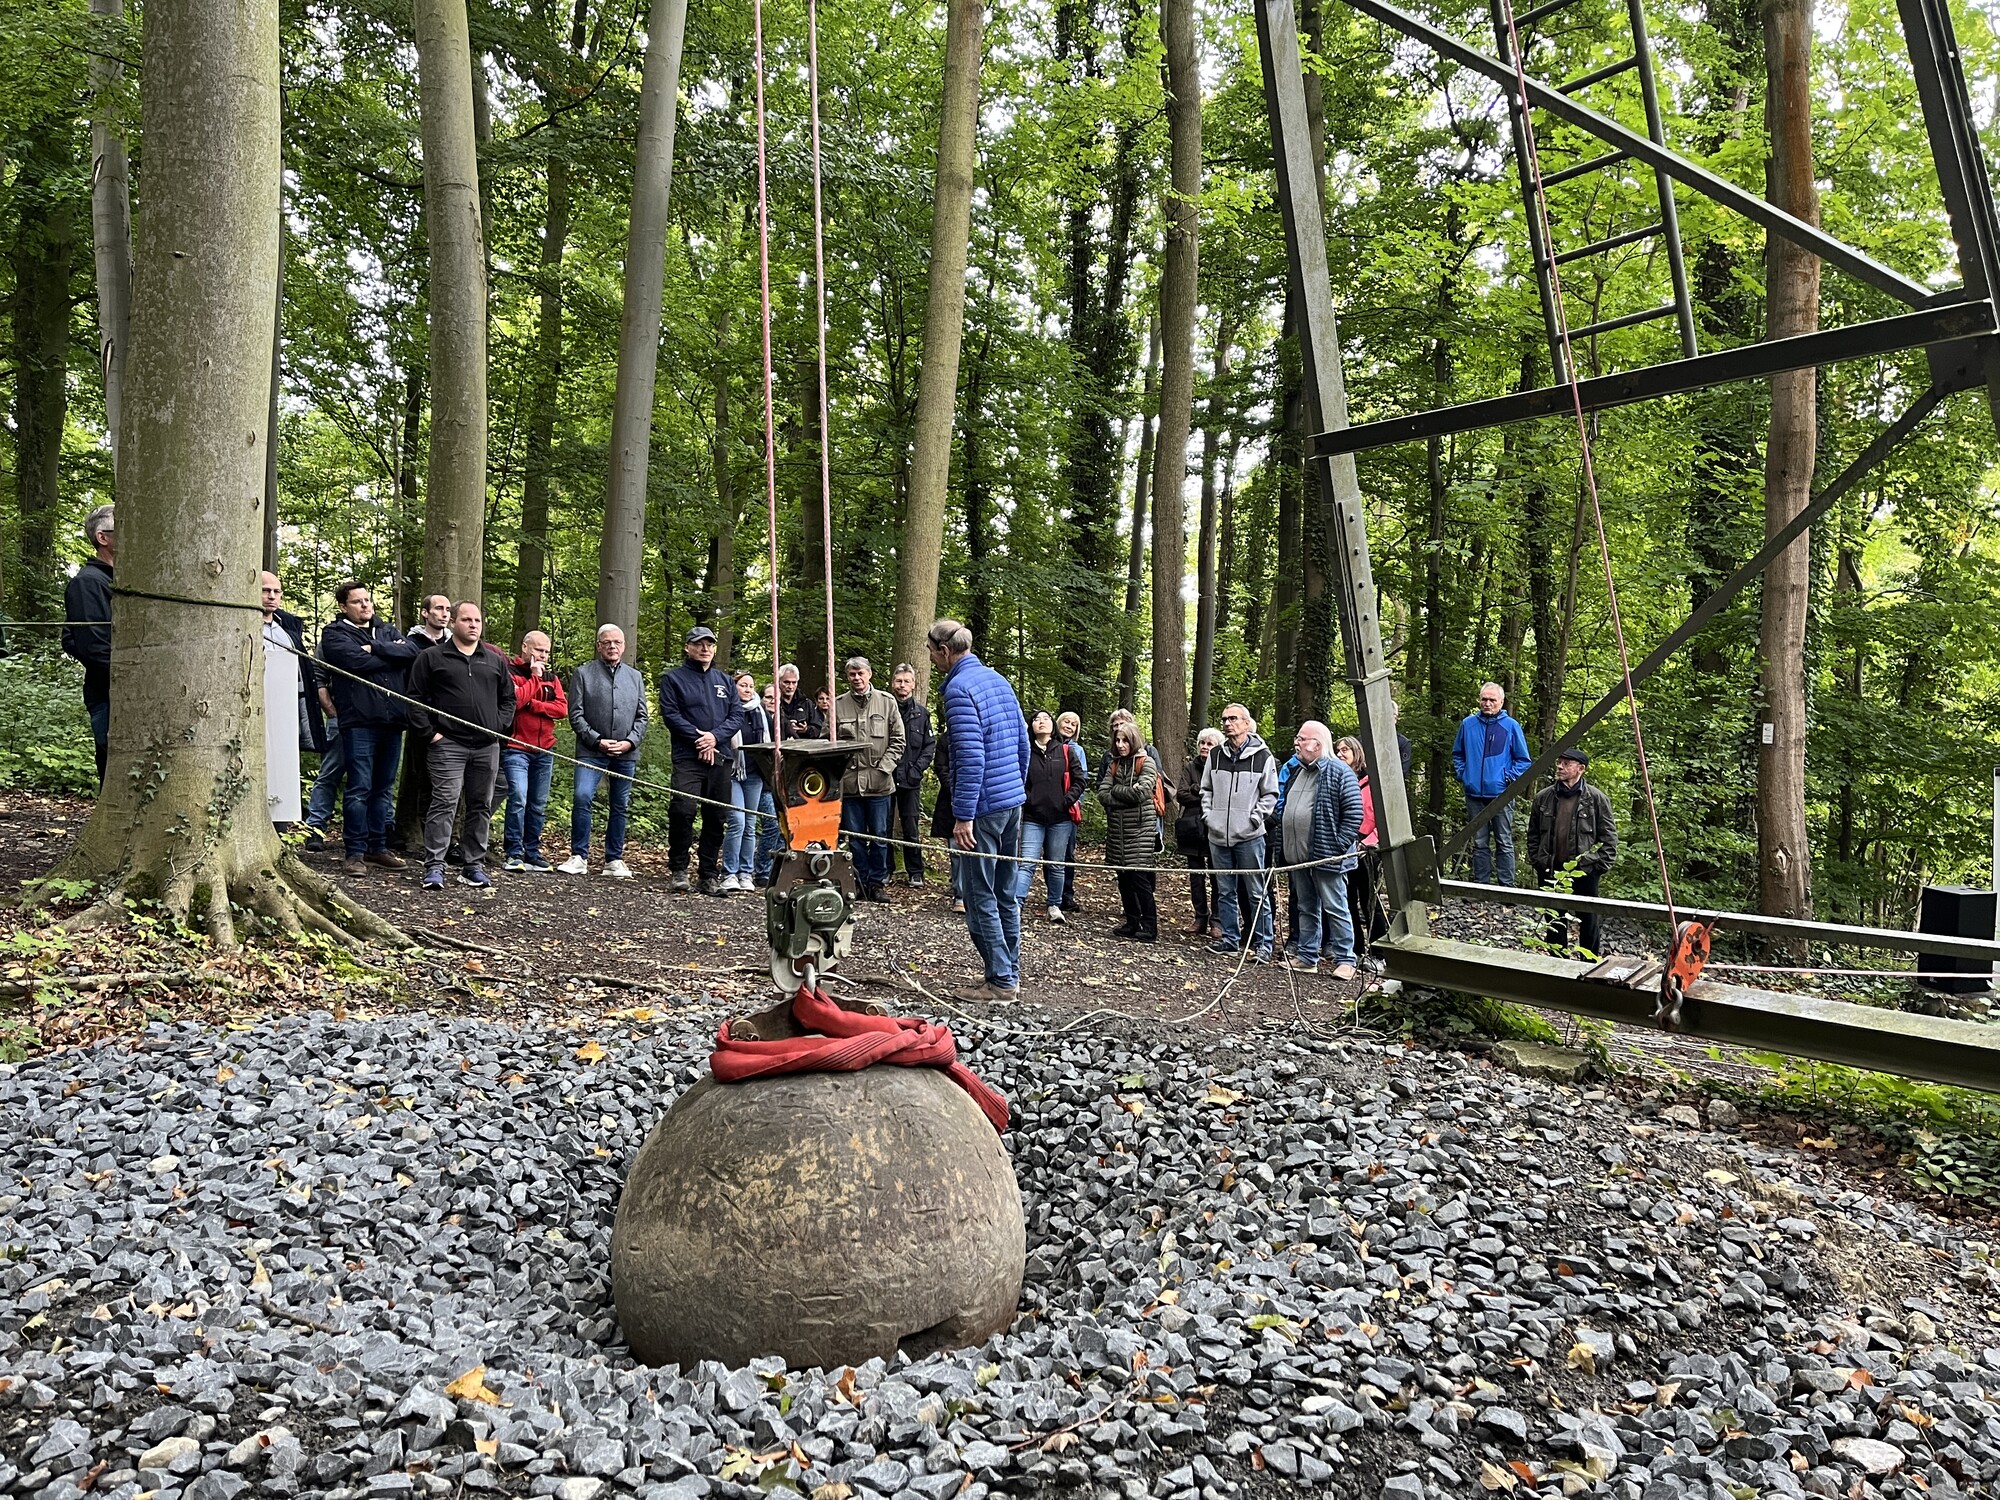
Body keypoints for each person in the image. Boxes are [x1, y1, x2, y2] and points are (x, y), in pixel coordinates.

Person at [929, 618, 1029, 1002]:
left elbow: (969, 757)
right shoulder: (998, 679)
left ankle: (1001, 980)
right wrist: (1015, 789)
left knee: (979, 894)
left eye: (932, 652)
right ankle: (1007, 973)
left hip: (984, 807)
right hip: (1010, 802)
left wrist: (964, 814)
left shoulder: (958, 689)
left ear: (944, 650)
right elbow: (1022, 742)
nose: (933, 659)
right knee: (1005, 893)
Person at [405, 601, 515, 890]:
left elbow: (508, 699)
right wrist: (431, 734)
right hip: (447, 745)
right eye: (466, 619)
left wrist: (497, 727)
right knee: (445, 802)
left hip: (485, 746)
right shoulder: (431, 657)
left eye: (477, 620)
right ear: (453, 622)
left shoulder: (494, 660)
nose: (473, 625)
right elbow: (414, 700)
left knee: (480, 804)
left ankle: (473, 865)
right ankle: (434, 867)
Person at [320, 581, 421, 877]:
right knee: (359, 788)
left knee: (383, 788)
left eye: (368, 600)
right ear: (343, 606)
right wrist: (390, 657)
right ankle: (354, 852)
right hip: (359, 721)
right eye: (357, 602)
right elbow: (353, 662)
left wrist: (375, 647)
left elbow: (412, 652)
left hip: (392, 721)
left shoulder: (386, 630)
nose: (365, 605)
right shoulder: (335, 633)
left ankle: (378, 847)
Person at [658, 625, 746, 896]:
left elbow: (736, 715)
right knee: (683, 810)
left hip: (720, 757)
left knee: (716, 816)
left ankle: (708, 875)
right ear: (688, 647)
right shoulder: (673, 679)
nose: (705, 648)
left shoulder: (725, 681)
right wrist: (700, 739)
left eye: (709, 644)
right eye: (699, 644)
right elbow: (671, 715)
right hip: (688, 757)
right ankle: (679, 870)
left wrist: (713, 738)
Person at [561, 624, 647, 878]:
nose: (612, 647)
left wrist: (630, 741)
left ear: (624, 645)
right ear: (599, 645)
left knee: (620, 804)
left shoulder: (635, 677)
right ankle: (579, 855)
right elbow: (575, 714)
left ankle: (614, 859)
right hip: (591, 751)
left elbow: (642, 716)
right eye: (607, 642)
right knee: (582, 796)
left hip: (626, 753)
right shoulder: (583, 674)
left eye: (617, 642)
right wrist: (597, 740)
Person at [1280, 721, 1364, 978]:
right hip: (1298, 855)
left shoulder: (1339, 772)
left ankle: (1346, 960)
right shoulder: (1298, 770)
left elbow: (1354, 814)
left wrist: (1337, 846)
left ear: (1316, 744)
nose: (1297, 742)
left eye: (1301, 738)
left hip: (1327, 856)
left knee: (1336, 906)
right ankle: (1307, 956)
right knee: (1305, 906)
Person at [1200, 703, 1279, 963]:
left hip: (1249, 836)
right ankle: (1230, 940)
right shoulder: (1216, 755)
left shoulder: (1263, 756)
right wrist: (1209, 817)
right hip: (1218, 835)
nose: (1227, 723)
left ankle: (1264, 944)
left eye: (1233, 718)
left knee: (1256, 892)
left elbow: (1270, 795)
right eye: (1224, 719)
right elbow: (1206, 789)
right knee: (1225, 891)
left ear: (1246, 723)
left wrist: (1254, 820)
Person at [1527, 748, 1619, 954]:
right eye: (1559, 762)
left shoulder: (1596, 798)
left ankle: (1590, 966)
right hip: (1550, 870)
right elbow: (1533, 834)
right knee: (1553, 919)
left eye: (1566, 763)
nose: (1560, 766)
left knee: (1588, 919)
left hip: (1584, 871)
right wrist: (1538, 861)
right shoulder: (1544, 797)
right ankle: (1557, 964)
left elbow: (1609, 838)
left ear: (1581, 769)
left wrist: (1596, 867)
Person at [832, 657, 905, 902]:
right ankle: (859, 883)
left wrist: (884, 768)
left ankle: (877, 883)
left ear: (870, 674)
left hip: (879, 784)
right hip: (851, 784)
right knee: (856, 838)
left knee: (880, 836)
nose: (857, 678)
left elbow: (898, 741)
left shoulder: (887, 702)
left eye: (860, 673)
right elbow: (827, 743)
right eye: (852, 674)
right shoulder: (838, 704)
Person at [259, 571, 326, 826]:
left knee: (284, 770)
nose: (271, 596)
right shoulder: (245, 627)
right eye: (266, 591)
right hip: (256, 711)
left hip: (286, 713)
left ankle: (281, 831)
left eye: (276, 592)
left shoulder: (288, 631)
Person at [1452, 681, 1532, 886]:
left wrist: (1507, 779)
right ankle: (1482, 885)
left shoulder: (1511, 726)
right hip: (1473, 794)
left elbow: (1523, 760)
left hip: (1500, 794)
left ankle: (1507, 887)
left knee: (1503, 841)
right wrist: (1464, 774)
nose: (1487, 703)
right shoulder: (1468, 724)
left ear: (1501, 702)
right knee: (1479, 842)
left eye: (1492, 700)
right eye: (1484, 699)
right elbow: (1457, 754)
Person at [499, 630, 567, 872]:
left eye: (547, 652)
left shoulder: (553, 677)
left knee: (538, 803)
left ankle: (533, 852)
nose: (543, 656)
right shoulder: (510, 672)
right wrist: (535, 679)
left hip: (544, 749)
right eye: (539, 650)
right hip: (516, 748)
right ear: (525, 648)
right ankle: (513, 853)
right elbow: (516, 702)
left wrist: (535, 705)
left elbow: (561, 709)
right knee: (518, 797)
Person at [393, 593, 455, 857]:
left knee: (448, 786)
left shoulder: (455, 644)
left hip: (451, 722)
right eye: (438, 608)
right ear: (425, 613)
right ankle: (413, 836)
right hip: (422, 721)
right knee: (420, 779)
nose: (443, 613)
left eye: (447, 609)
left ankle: (446, 840)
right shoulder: (411, 643)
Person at [61, 505, 115, 784]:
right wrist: (132, 674)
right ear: (102, 538)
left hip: (131, 689)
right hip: (108, 692)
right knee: (113, 761)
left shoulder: (124, 582)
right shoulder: (88, 583)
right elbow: (88, 644)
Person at [1019, 710, 1085, 923]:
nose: (1041, 722)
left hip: (1061, 819)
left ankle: (1054, 904)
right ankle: (1016, 903)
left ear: (1052, 725)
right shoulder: (1025, 751)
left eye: (1046, 718)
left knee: (1056, 864)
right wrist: (1029, 799)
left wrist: (1066, 801)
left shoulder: (1065, 751)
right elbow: (1018, 780)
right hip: (1032, 817)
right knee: (1027, 863)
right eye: (1037, 719)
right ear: (1032, 726)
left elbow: (1080, 780)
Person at [1097, 719, 1160, 942]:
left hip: (1139, 831)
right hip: (1117, 832)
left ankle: (1150, 925)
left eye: (1125, 740)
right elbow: (1102, 794)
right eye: (1118, 740)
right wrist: (1124, 794)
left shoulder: (1147, 762)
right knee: (1123, 879)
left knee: (1140, 879)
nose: (1121, 744)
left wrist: (1117, 792)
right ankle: (1132, 921)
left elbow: (1141, 793)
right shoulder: (1114, 764)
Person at [1335, 735, 1390, 962]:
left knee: (1370, 902)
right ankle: (1355, 950)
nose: (1341, 754)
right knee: (1347, 901)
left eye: (1345, 750)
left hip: (1368, 850)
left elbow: (1381, 819)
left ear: (1357, 753)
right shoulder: (1335, 779)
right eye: (1338, 750)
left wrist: (1368, 843)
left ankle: (1379, 952)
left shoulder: (1374, 784)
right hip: (1344, 848)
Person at [722, 670, 774, 893]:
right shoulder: (727, 710)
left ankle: (746, 872)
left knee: (751, 825)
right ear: (734, 687)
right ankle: (729, 872)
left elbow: (771, 741)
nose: (748, 689)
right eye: (743, 685)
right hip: (733, 773)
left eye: (751, 686)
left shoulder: (760, 713)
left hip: (754, 774)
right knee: (737, 821)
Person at [889, 663, 936, 886]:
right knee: (883, 826)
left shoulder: (922, 714)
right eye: (899, 681)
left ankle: (915, 871)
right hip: (885, 776)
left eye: (907, 681)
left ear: (914, 684)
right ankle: (885, 870)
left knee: (911, 826)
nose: (902, 685)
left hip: (910, 777)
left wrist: (917, 770)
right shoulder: (884, 709)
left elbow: (929, 746)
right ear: (892, 683)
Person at [1175, 727, 1223, 936]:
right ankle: (1200, 917)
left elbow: (1221, 796)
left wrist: (1198, 790)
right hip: (1192, 828)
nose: (1204, 747)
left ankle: (1217, 921)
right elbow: (1181, 794)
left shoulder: (1222, 767)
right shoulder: (1189, 767)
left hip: (1214, 827)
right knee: (1196, 876)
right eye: (1202, 743)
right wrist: (1201, 792)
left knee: (1216, 877)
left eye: (1209, 743)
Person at [1055, 711, 1088, 914]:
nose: (1069, 726)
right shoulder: (1047, 745)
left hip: (1068, 809)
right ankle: (1053, 894)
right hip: (1045, 808)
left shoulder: (1078, 750)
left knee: (1067, 854)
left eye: (1074, 724)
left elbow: (1081, 781)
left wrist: (1071, 803)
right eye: (1066, 721)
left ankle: (1066, 895)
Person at [776, 664, 826, 739]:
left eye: (794, 682)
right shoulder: (772, 702)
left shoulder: (806, 703)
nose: (790, 686)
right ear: (778, 681)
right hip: (778, 746)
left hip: (802, 747)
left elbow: (819, 730)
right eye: (786, 682)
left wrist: (806, 729)